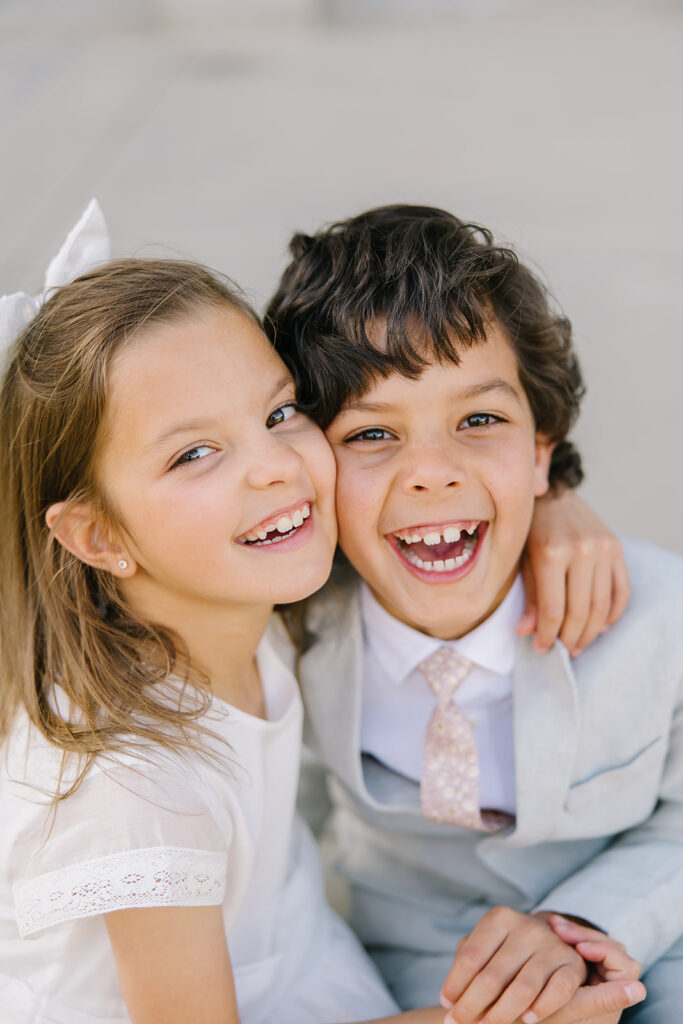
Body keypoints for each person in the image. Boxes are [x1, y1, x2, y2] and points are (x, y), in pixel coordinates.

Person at [0, 204, 642, 1024]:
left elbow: (434, 476)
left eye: (277, 414)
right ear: (95, 534)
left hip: (297, 961)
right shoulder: (134, 789)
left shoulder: (243, 589)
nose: (276, 468)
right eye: (194, 453)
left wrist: (546, 495)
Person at [265, 204, 683, 1024]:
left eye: (478, 420)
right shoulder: (290, 632)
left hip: (648, 948)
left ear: (538, 450)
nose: (431, 473)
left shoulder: (658, 616)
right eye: (372, 433)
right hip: (421, 984)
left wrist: (585, 927)